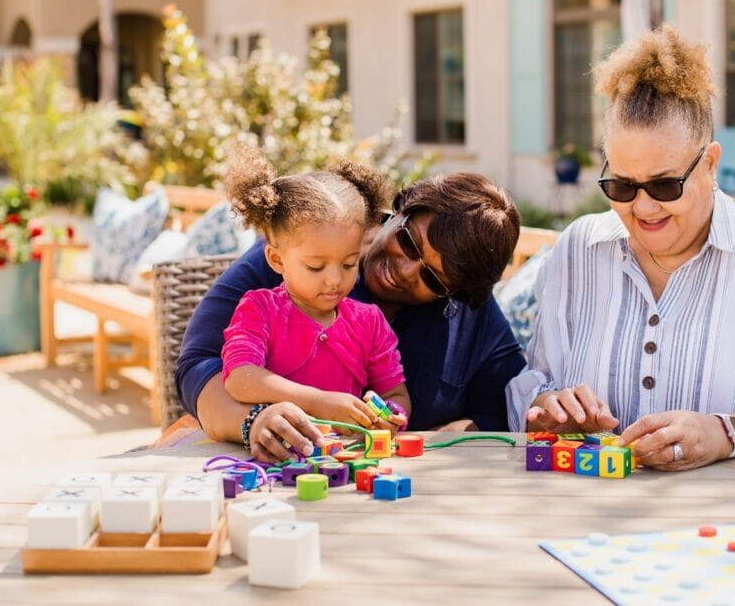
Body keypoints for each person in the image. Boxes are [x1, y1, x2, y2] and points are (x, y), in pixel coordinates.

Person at [506, 26, 735, 471]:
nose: (643, 206)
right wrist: (551, 408)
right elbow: (536, 386)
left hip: (732, 521)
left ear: (709, 163)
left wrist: (722, 434)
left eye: (665, 184)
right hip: (590, 512)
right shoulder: (580, 247)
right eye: (622, 185)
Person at [176, 169, 524, 461]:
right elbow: (199, 363)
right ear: (399, 210)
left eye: (432, 278)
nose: (404, 270)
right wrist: (252, 421)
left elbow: (503, 410)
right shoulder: (308, 249)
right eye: (409, 241)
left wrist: (429, 439)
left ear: (458, 294)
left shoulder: (471, 314)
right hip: (268, 465)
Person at [219, 146, 411, 434]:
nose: (334, 280)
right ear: (276, 259)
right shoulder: (260, 309)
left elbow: (396, 396)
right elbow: (240, 377)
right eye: (315, 267)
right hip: (277, 459)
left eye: (348, 264)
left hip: (347, 461)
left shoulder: (369, 322)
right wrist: (317, 402)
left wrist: (391, 416)